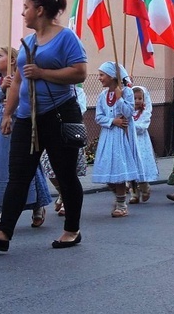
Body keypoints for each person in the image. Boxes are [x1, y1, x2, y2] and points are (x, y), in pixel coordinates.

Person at [0, 0, 87, 252]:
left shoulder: (66, 37)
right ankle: (4, 233)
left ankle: (72, 230)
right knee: (18, 175)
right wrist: (7, 113)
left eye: (26, 7)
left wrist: (43, 72)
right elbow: (17, 81)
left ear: (40, 10)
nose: (23, 12)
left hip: (59, 115)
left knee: (66, 174)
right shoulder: (27, 42)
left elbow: (80, 73)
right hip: (27, 119)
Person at [0, 46, 51, 230]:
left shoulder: (23, 80)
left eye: (0, 56)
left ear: (12, 61)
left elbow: (30, 103)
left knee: (23, 167)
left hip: (17, 126)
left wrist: (13, 108)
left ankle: (37, 206)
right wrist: (2, 89)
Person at [91, 62, 140, 217]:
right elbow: (98, 117)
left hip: (121, 138)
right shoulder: (101, 96)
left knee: (118, 169)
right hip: (108, 136)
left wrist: (120, 99)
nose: (99, 78)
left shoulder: (127, 93)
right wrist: (113, 121)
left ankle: (121, 205)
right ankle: (120, 193)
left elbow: (129, 112)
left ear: (112, 76)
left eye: (101, 75)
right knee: (107, 172)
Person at [40, 83, 89, 216]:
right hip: (50, 130)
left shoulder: (75, 90)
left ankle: (68, 203)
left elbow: (80, 109)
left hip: (68, 131)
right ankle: (62, 193)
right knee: (48, 166)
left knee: (68, 170)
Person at [129, 85, 158, 204]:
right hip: (130, 142)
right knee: (131, 167)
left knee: (140, 166)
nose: (137, 101)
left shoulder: (145, 113)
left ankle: (145, 188)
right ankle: (134, 193)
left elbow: (142, 127)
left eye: (139, 99)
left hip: (141, 143)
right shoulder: (128, 112)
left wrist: (130, 126)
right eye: (134, 98)